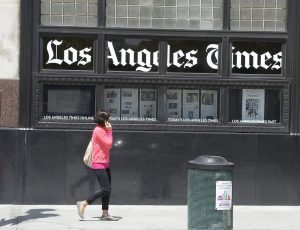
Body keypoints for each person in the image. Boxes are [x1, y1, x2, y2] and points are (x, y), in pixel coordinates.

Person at [76, 111, 118, 221]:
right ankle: (84, 203)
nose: (109, 121)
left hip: (105, 163)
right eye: (108, 119)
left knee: (107, 190)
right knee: (106, 189)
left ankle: (105, 214)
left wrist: (108, 130)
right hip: (98, 163)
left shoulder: (103, 129)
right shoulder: (99, 130)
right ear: (104, 120)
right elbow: (109, 144)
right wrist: (110, 131)